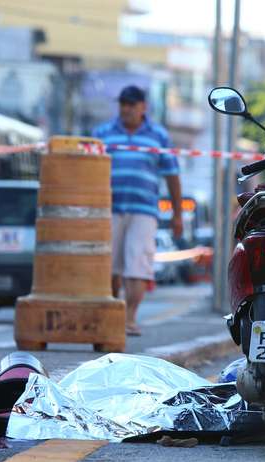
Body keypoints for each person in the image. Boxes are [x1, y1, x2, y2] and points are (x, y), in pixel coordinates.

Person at [92, 85, 183, 336]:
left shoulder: (158, 136)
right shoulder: (102, 133)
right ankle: (114, 314)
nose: (126, 109)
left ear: (143, 107)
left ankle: (130, 317)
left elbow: (172, 176)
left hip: (143, 210)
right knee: (109, 265)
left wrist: (177, 215)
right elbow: (89, 169)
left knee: (138, 265)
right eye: (123, 104)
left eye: (131, 104)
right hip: (108, 208)